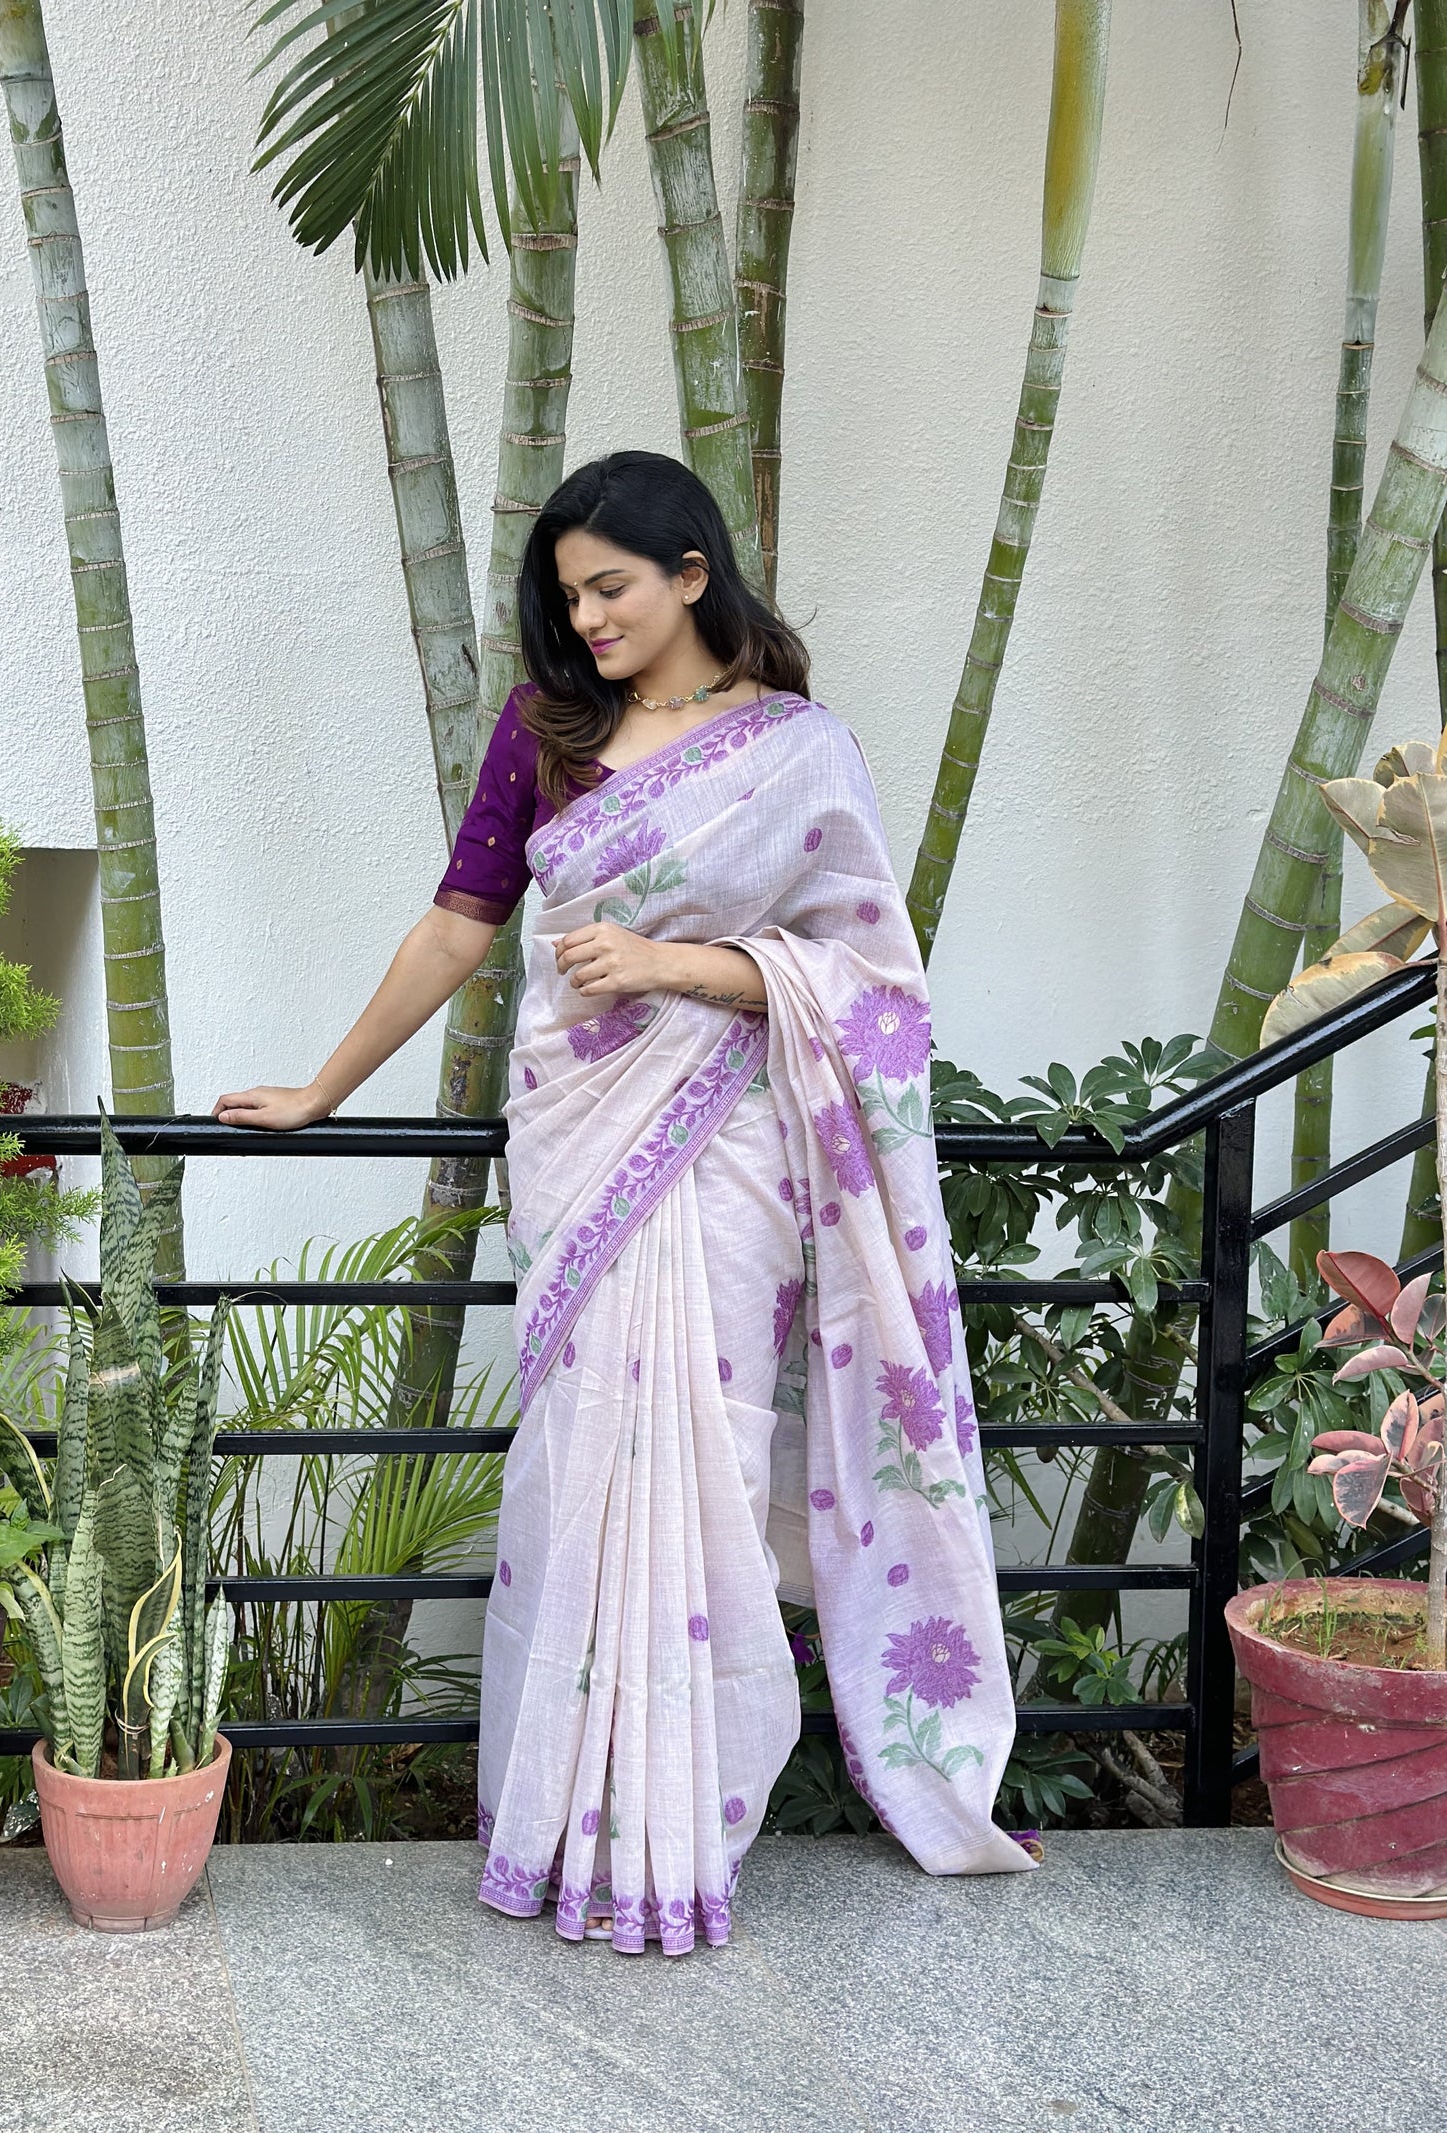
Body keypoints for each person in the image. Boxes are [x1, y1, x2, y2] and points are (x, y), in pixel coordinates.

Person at [214, 449, 1033, 1955]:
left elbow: (871, 987)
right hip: (583, 1149)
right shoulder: (549, 732)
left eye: (612, 587)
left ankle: (683, 1830)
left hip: (731, 1163)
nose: (584, 617)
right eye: (569, 593)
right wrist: (326, 1085)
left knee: (708, 1471)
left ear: (693, 574)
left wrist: (674, 966)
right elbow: (460, 924)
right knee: (579, 1462)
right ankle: (566, 1824)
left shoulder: (798, 749)